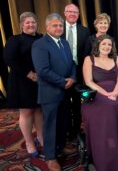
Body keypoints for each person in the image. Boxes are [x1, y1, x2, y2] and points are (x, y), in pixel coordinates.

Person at [32, 13, 76, 171]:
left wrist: (72, 77)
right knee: (50, 124)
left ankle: (61, 146)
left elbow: (71, 63)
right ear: (47, 27)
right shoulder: (40, 44)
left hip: (65, 90)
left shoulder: (64, 42)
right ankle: (50, 157)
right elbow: (42, 70)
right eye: (55, 25)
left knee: (63, 121)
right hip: (50, 92)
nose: (58, 28)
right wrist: (62, 82)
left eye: (60, 25)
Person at [81, 34, 118, 171]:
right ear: (97, 45)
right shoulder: (89, 59)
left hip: (115, 92)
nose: (106, 47)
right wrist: (106, 93)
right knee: (107, 109)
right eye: (104, 44)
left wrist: (115, 92)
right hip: (97, 93)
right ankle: (106, 156)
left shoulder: (116, 59)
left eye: (109, 44)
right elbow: (88, 82)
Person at [3, 12, 43, 157]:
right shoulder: (15, 40)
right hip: (22, 81)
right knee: (27, 111)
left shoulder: (42, 38)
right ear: (21, 25)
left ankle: (40, 137)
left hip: (39, 80)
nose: (31, 25)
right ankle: (29, 142)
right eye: (27, 23)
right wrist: (30, 74)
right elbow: (9, 59)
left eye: (33, 22)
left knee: (39, 110)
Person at [62, 3, 90, 140]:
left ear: (78, 15)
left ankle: (77, 129)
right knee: (64, 103)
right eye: (70, 11)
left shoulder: (85, 31)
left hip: (78, 72)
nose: (72, 14)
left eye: (75, 12)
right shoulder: (58, 29)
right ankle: (65, 129)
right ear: (65, 13)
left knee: (78, 102)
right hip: (61, 73)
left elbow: (86, 53)